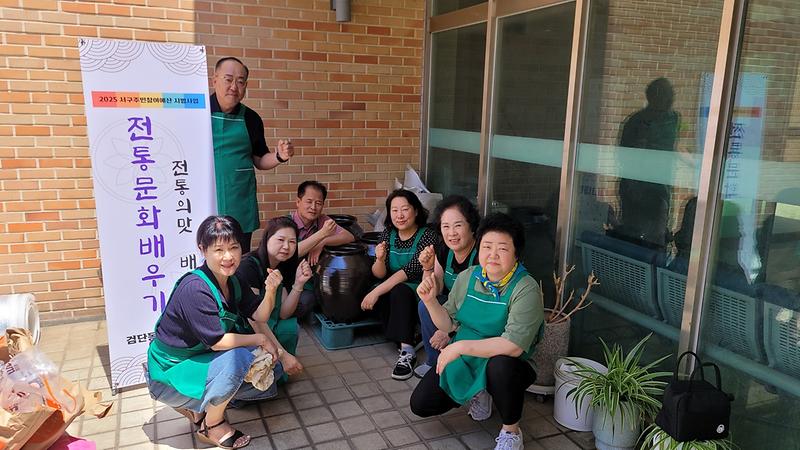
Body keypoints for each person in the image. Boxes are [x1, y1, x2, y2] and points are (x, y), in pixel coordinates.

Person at [146, 215, 284, 450]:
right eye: (218, 249)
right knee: (241, 356)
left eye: (234, 247)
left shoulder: (234, 278)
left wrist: (270, 290)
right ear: (203, 249)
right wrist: (261, 338)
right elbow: (218, 342)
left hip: (196, 359)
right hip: (167, 374)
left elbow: (259, 315)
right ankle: (212, 424)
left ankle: (196, 409)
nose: (228, 256)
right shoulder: (196, 289)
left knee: (272, 369)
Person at [410, 213, 545, 450]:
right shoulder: (469, 277)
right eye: (487, 247)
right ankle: (480, 392)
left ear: (516, 254)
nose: (492, 255)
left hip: (509, 362)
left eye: (502, 248)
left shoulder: (526, 288)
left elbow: (513, 345)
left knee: (500, 366)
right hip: (469, 357)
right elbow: (448, 324)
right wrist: (431, 301)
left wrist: (459, 346)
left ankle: (511, 432)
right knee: (421, 403)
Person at [211, 56, 295, 252]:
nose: (234, 86)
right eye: (228, 79)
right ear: (214, 79)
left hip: (238, 199)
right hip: (205, 197)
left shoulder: (251, 118)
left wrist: (279, 156)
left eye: (240, 82)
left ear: (246, 86)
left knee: (237, 255)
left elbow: (260, 158)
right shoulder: (198, 112)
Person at [361, 189, 439, 380]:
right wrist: (379, 259)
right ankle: (411, 334)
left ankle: (407, 350)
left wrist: (376, 293)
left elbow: (410, 271)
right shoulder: (388, 234)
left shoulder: (427, 236)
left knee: (398, 291)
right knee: (383, 290)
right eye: (394, 210)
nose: (400, 215)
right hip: (392, 287)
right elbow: (378, 272)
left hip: (420, 288)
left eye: (405, 209)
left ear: (416, 211)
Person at [414, 195, 480, 379]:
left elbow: (480, 306)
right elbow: (434, 290)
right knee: (425, 305)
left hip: (476, 313)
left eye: (458, 225)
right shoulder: (443, 250)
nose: (451, 233)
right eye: (446, 226)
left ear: (471, 226)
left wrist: (449, 330)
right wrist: (427, 268)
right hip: (452, 309)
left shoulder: (481, 255)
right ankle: (435, 363)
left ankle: (465, 368)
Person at [613, 77, 681, 250]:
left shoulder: (673, 119)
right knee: (637, 238)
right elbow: (628, 158)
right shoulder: (639, 122)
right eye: (668, 95)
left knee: (657, 237)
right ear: (656, 97)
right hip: (639, 188)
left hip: (660, 186)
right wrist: (634, 188)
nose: (672, 99)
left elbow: (672, 148)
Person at [237, 217, 311, 371]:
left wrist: (299, 284)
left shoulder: (282, 264)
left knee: (290, 326)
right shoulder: (249, 266)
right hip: (247, 328)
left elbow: (284, 313)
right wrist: (282, 354)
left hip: (268, 322)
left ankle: (281, 367)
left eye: (292, 242)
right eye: (281, 240)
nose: (286, 246)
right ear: (267, 239)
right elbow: (253, 319)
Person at [289, 180, 356, 318]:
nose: (313, 207)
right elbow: (292, 252)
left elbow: (349, 236)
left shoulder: (323, 221)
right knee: (302, 304)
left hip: (308, 282)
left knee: (313, 300)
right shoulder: (286, 224)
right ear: (298, 202)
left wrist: (322, 242)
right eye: (309, 201)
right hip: (286, 281)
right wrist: (320, 235)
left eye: (318, 203)